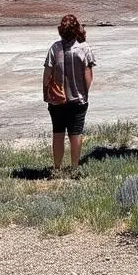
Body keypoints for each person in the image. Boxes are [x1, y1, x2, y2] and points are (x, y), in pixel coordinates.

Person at [43, 14, 96, 173]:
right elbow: (88, 77)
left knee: (58, 132)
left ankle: (57, 168)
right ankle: (74, 167)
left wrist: (46, 93)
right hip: (78, 98)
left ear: (61, 31)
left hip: (57, 99)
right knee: (76, 133)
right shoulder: (84, 48)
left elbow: (47, 75)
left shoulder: (55, 48)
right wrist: (84, 93)